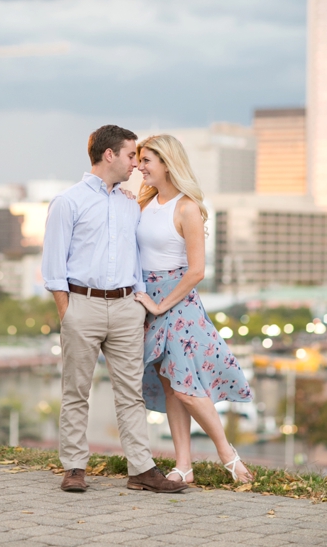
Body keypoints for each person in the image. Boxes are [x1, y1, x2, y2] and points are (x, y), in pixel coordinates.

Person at [41, 125, 187, 494]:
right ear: (110, 155)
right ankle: (74, 467)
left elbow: (135, 258)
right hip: (82, 305)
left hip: (125, 308)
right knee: (76, 391)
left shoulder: (128, 203)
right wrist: (68, 313)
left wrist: (137, 304)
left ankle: (141, 469)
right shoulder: (67, 202)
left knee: (130, 394)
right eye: (130, 155)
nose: (135, 163)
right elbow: (53, 269)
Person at [133, 134, 254, 483]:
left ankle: (227, 454)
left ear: (167, 163)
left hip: (177, 303)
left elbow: (197, 271)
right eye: (139, 160)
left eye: (147, 161)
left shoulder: (188, 208)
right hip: (149, 300)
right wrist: (145, 302)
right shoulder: (143, 205)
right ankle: (183, 466)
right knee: (170, 384)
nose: (140, 167)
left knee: (185, 385)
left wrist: (159, 305)